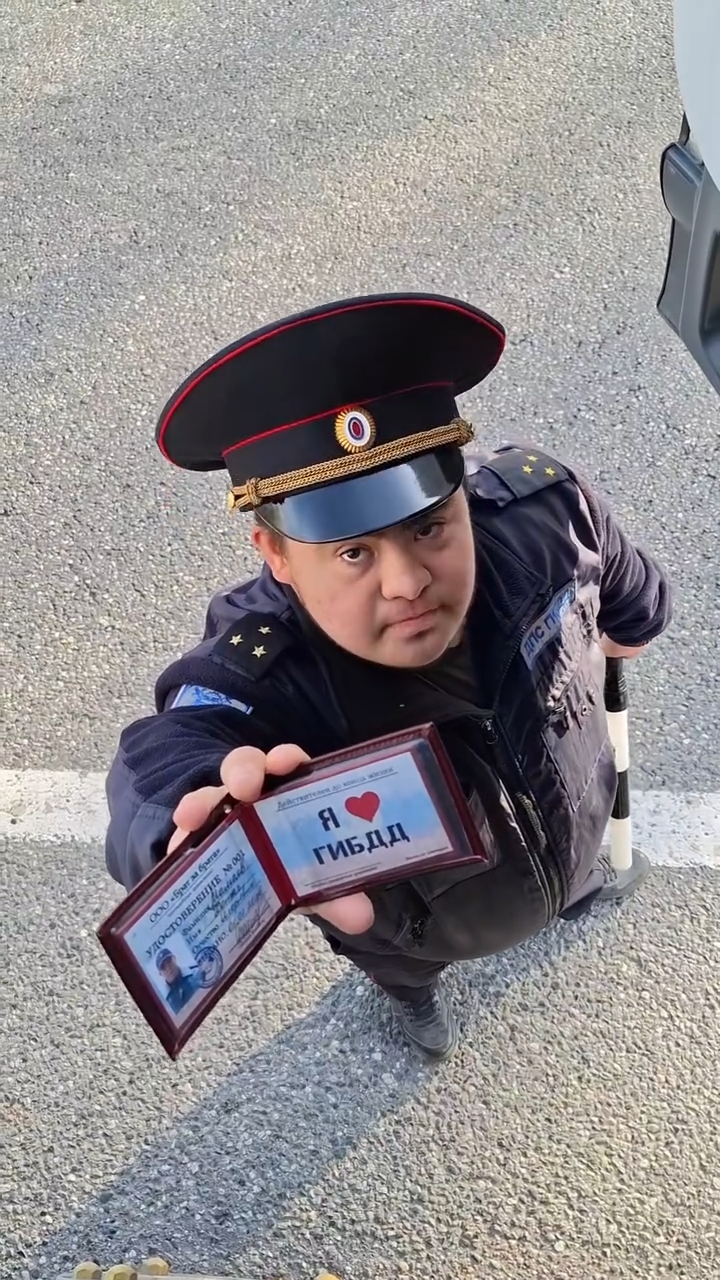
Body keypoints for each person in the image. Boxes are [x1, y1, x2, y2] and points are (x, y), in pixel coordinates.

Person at [104, 291, 673, 1061]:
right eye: (352, 552)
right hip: (414, 928)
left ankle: (575, 888)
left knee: (575, 878)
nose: (407, 582)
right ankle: (413, 998)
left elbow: (625, 588)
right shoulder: (265, 668)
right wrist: (185, 817)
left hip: (573, 822)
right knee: (399, 962)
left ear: (461, 492)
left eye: (429, 524)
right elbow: (170, 753)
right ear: (276, 555)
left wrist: (633, 621)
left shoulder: (545, 515)